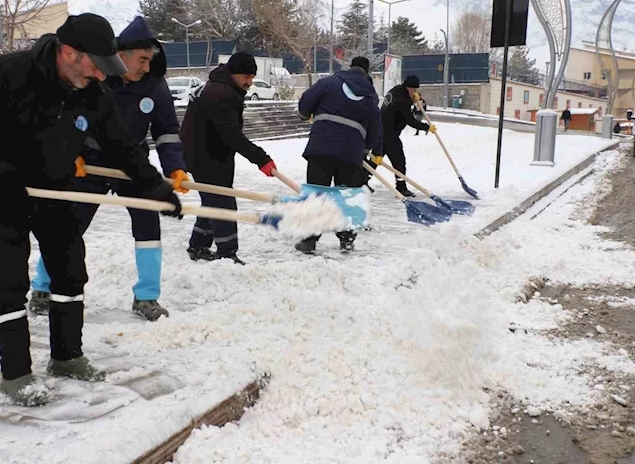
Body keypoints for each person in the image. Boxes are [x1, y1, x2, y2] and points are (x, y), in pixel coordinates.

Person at [0, 13, 183, 406]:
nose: (101, 77)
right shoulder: (8, 73)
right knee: (7, 281)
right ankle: (16, 374)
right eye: (95, 66)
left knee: (70, 271)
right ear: (69, 52)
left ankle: (67, 356)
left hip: (57, 189)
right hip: (5, 191)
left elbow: (121, 146)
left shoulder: (93, 92)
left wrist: (154, 186)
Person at [28, 16, 188, 322]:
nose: (146, 66)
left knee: (148, 228)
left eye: (150, 60)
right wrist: (70, 153)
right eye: (142, 59)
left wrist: (175, 168)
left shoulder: (155, 85)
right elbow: (70, 117)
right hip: (91, 162)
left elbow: (167, 130)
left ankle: (146, 297)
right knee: (68, 227)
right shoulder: (98, 77)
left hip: (134, 164)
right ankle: (43, 287)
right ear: (122, 55)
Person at [180, 52, 276, 265]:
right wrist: (261, 159)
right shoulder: (221, 93)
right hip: (207, 154)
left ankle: (199, 245)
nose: (250, 83)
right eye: (246, 77)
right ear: (233, 73)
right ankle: (227, 253)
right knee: (223, 202)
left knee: (212, 199)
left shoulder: (217, 86)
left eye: (252, 77)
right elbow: (232, 135)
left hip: (203, 151)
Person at [294, 56, 381, 254]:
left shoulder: (329, 82)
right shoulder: (370, 96)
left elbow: (306, 101)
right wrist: (364, 150)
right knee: (347, 195)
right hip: (351, 153)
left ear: (350, 68)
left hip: (321, 147)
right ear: (367, 73)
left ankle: (309, 240)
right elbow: (375, 128)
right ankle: (347, 240)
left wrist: (305, 114)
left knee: (317, 193)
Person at [376, 75, 435, 197]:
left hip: (381, 129)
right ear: (408, 88)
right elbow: (411, 121)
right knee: (399, 161)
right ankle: (401, 188)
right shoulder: (403, 102)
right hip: (389, 133)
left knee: (376, 157)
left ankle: (361, 181)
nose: (415, 92)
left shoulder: (396, 91)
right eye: (414, 90)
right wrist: (427, 127)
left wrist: (415, 102)